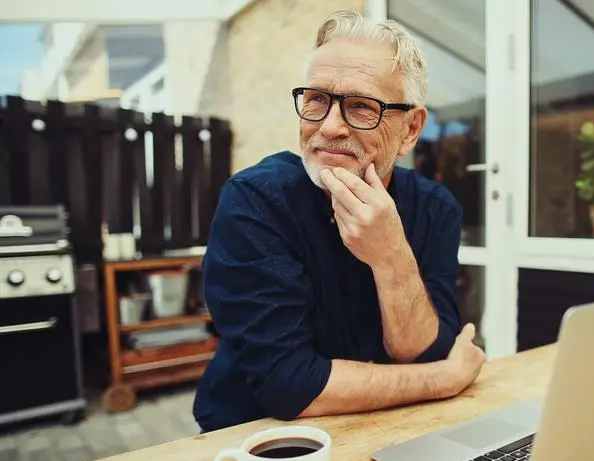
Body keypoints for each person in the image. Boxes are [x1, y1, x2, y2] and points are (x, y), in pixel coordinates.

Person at [192, 10, 485, 432]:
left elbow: (424, 351)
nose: (329, 127)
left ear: (410, 129)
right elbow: (288, 384)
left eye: (362, 107)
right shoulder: (255, 202)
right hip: (259, 443)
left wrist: (392, 258)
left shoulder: (434, 207)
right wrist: (443, 379)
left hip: (388, 428)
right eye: (316, 99)